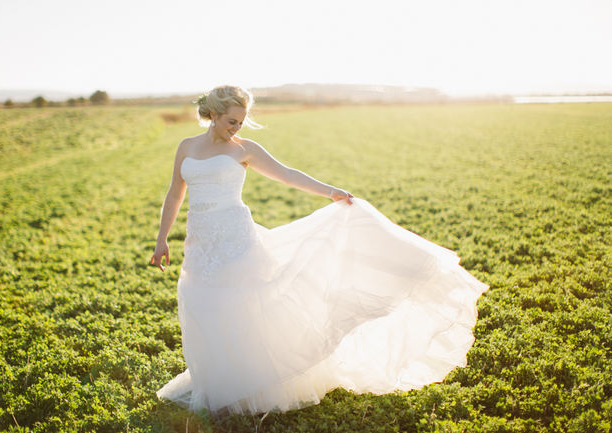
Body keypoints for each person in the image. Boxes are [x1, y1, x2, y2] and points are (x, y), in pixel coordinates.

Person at [150, 85, 489, 418]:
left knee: (240, 307)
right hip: (199, 242)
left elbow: (286, 175)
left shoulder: (245, 149)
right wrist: (162, 238)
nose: (236, 128)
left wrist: (330, 193)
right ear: (213, 115)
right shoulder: (187, 147)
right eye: (231, 121)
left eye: (241, 121)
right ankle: (216, 382)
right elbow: (174, 194)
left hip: (236, 239)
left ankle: (250, 382)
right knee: (204, 308)